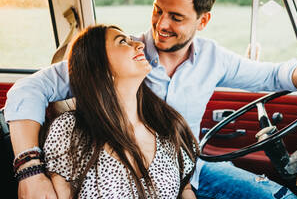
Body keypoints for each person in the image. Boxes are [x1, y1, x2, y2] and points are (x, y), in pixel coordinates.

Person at [5, 0, 297, 199]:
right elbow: (29, 89)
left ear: (203, 20)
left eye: (176, 17)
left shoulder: (213, 59)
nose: (161, 25)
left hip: (190, 170)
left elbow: (274, 74)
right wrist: (29, 169)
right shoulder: (118, 59)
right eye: (157, 10)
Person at [15, 24, 199, 198]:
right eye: (122, 41)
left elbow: (185, 188)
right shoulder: (69, 131)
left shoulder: (166, 122)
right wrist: (28, 170)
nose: (140, 44)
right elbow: (26, 88)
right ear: (98, 66)